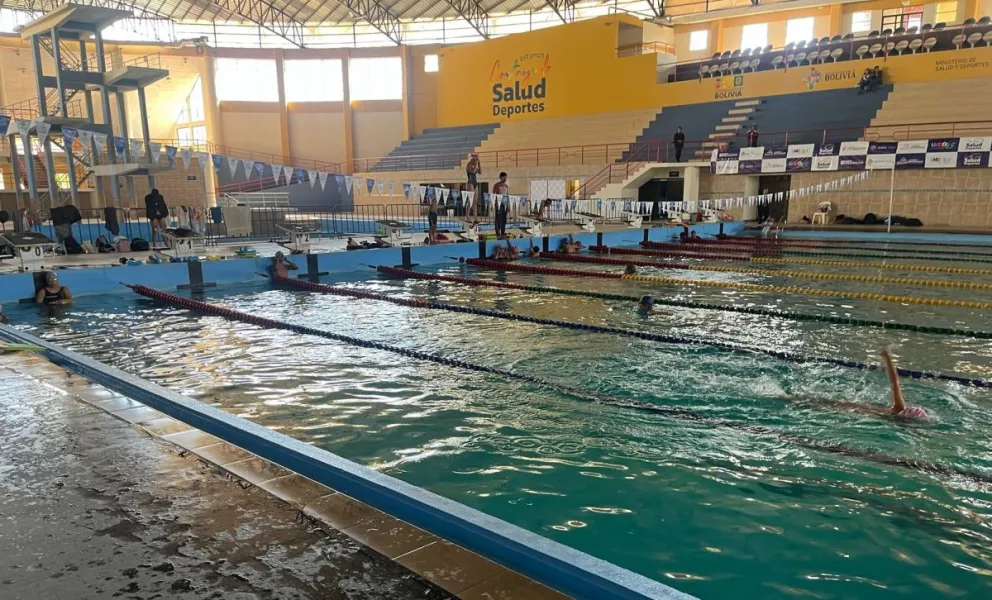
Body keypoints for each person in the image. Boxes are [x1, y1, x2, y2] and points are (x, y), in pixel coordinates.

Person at [493, 172, 510, 238]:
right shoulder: (496, 185)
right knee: (498, 219)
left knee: (504, 219)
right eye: (504, 177)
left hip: (505, 204)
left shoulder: (506, 186)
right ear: (501, 177)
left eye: (506, 177)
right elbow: (494, 195)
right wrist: (496, 204)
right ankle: (498, 233)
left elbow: (507, 196)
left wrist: (508, 206)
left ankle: (503, 232)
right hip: (498, 204)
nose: (505, 179)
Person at [466, 153, 481, 218]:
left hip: (475, 183)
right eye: (474, 158)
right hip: (470, 183)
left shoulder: (475, 165)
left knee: (475, 202)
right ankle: (467, 216)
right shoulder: (469, 165)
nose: (475, 159)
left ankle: (475, 217)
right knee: (470, 201)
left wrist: (479, 164)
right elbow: (473, 172)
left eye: (476, 158)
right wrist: (476, 165)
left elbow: (480, 172)